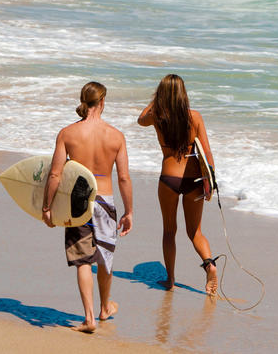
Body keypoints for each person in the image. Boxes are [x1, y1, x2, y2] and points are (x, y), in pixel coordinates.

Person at [42, 82, 134, 334]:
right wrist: (128, 211)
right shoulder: (115, 136)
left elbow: (55, 174)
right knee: (105, 256)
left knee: (83, 260)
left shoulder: (67, 133)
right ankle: (105, 307)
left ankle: (90, 317)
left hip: (77, 201)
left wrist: (46, 207)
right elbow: (124, 178)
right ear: (102, 102)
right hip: (105, 200)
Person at [137, 74, 219, 296]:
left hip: (169, 179)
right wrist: (210, 181)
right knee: (195, 232)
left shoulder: (157, 116)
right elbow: (207, 151)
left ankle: (170, 280)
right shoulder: (195, 117)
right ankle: (209, 264)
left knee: (169, 231)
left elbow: (140, 119)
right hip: (194, 180)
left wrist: (157, 99)